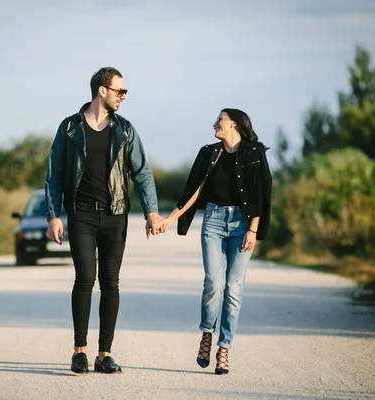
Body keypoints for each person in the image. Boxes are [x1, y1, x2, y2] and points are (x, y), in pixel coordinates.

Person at [44, 67, 163, 374]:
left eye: (124, 92)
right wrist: (53, 215)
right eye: (119, 91)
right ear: (102, 91)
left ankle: (104, 354)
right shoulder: (69, 127)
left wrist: (151, 210)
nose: (123, 97)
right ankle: (79, 351)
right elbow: (54, 175)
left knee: (110, 283)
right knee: (84, 278)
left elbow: (142, 172)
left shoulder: (125, 129)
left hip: (115, 214)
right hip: (81, 213)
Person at [161, 108, 272, 375]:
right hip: (213, 220)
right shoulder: (208, 153)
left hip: (243, 224)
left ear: (234, 123)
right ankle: (207, 334)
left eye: (220, 119)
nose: (215, 123)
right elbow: (194, 189)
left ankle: (224, 348)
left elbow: (261, 193)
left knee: (234, 288)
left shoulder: (254, 154)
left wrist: (253, 230)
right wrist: (170, 218)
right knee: (214, 282)